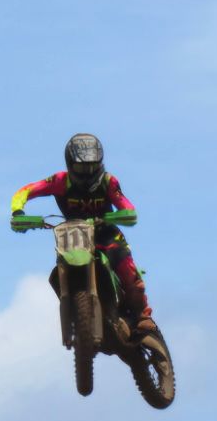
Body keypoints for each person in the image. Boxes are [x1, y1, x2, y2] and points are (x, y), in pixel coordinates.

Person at [10, 133, 157, 333]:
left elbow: (128, 209)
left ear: (100, 163)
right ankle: (74, 310)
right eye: (82, 167)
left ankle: (142, 314)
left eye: (91, 166)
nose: (87, 172)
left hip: (106, 234)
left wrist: (117, 216)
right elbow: (25, 191)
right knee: (59, 266)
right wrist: (18, 212)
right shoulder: (60, 181)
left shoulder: (108, 182)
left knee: (126, 268)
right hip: (74, 235)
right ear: (71, 164)